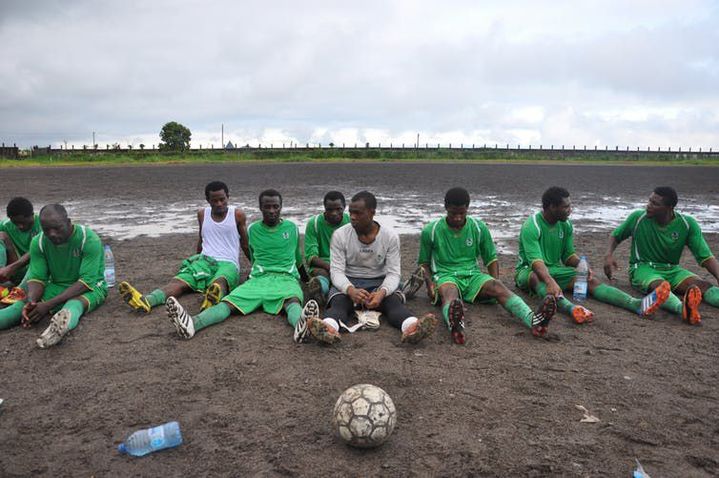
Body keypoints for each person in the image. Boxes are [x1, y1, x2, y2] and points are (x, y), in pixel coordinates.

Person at [166, 189, 315, 341]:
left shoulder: (292, 228)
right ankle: (192, 324)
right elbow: (252, 255)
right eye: (267, 207)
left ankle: (301, 327)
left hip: (286, 279)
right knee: (227, 303)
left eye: (275, 207)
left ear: (281, 207)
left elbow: (297, 259)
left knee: (293, 302)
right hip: (257, 280)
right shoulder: (253, 229)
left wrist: (307, 279)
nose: (271, 211)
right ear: (260, 207)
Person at [418, 187, 557, 342]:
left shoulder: (479, 228)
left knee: (499, 288)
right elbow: (424, 264)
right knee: (450, 294)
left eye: (462, 213)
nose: (457, 218)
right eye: (453, 213)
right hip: (446, 275)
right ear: (446, 208)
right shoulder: (430, 230)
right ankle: (456, 327)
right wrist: (430, 285)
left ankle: (533, 320)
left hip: (473, 275)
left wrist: (494, 281)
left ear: (467, 209)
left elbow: (491, 259)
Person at [515, 186, 669, 325]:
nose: (570, 210)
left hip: (554, 270)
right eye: (566, 207)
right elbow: (535, 262)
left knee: (589, 280)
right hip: (528, 272)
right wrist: (550, 281)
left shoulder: (566, 224)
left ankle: (636, 304)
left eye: (570, 205)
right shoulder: (532, 225)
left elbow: (567, 256)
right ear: (552, 207)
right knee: (538, 277)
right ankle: (572, 309)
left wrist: (581, 265)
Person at [303, 191, 438, 345]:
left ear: (372, 213)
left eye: (358, 213)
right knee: (339, 304)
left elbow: (393, 273)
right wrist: (350, 290)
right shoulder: (340, 235)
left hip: (378, 283)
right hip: (349, 281)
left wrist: (382, 292)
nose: (352, 217)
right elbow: (336, 272)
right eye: (351, 213)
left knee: (393, 304)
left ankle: (412, 326)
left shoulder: (390, 236)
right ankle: (328, 328)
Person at [119, 181, 250, 313]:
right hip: (205, 260)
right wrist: (197, 259)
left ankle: (211, 300)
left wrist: (256, 267)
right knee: (178, 282)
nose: (219, 204)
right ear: (207, 200)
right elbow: (202, 238)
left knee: (220, 281)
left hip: (228, 262)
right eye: (214, 201)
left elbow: (245, 244)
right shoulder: (202, 214)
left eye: (222, 199)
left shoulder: (237, 215)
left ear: (228, 196)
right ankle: (146, 300)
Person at [604, 186, 719, 325]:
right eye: (649, 201)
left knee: (704, 286)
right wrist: (608, 255)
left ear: (669, 208)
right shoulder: (638, 218)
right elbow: (616, 236)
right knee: (661, 286)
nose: (648, 206)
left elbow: (705, 257)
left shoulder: (687, 224)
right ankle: (682, 308)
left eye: (655, 204)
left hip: (674, 270)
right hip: (643, 269)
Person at [0, 204, 107, 348]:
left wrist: (48, 305)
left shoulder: (88, 239)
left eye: (57, 228)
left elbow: (86, 282)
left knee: (74, 305)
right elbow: (37, 278)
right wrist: (32, 302)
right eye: (46, 230)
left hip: (91, 287)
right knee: (19, 307)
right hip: (57, 286)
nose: (52, 234)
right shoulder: (38, 242)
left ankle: (56, 331)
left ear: (68, 222)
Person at [304, 191, 350, 304]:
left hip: (346, 264)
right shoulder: (314, 223)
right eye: (330, 210)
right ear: (324, 208)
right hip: (323, 265)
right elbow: (311, 257)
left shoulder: (350, 222)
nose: (334, 213)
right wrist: (332, 267)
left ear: (344, 207)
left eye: (338, 209)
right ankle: (318, 290)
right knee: (322, 275)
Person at [0, 197, 41, 288]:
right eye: (16, 223)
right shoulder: (6, 225)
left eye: (23, 222)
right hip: (14, 271)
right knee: (1, 235)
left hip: (36, 272)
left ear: (32, 215)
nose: (20, 226)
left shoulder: (43, 225)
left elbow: (38, 250)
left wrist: (12, 267)